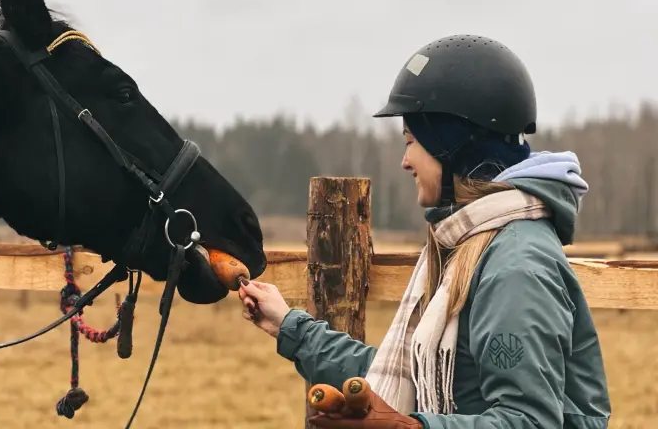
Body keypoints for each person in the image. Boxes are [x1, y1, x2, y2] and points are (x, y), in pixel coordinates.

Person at [238, 34, 611, 428]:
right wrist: (290, 327)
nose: (405, 161)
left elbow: (531, 421)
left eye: (412, 141)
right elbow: (409, 377)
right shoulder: (470, 244)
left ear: (453, 146)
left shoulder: (515, 266)